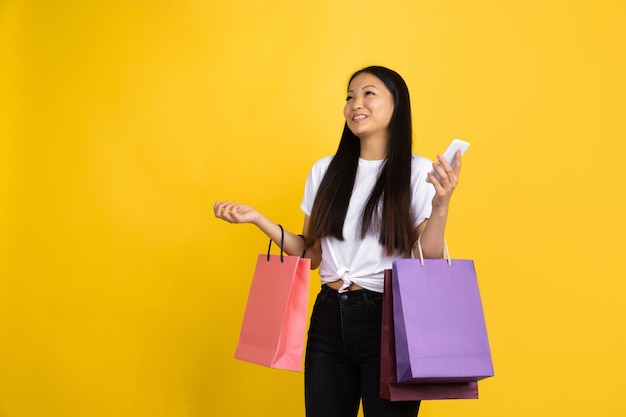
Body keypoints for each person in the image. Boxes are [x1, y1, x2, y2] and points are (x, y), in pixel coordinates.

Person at [214, 65, 462, 417]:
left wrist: (440, 206)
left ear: (397, 105)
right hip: (329, 314)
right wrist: (258, 220)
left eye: (368, 93)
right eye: (349, 96)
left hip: (388, 319)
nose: (355, 103)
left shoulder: (417, 172)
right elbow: (310, 254)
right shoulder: (325, 171)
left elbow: (429, 258)